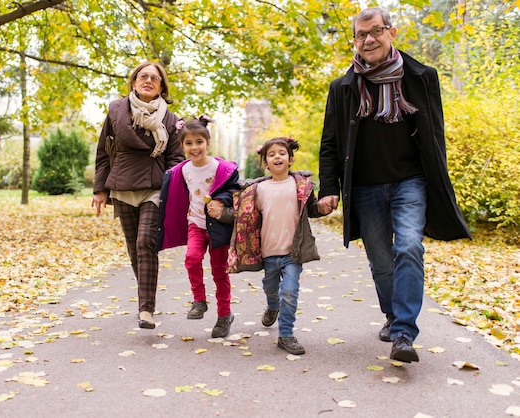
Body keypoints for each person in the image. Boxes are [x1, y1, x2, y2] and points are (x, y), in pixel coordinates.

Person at [317, 7, 472, 363]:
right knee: (381, 260)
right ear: (354, 40)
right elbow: (330, 142)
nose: (368, 39)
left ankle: (404, 332)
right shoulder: (342, 88)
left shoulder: (421, 77)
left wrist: (439, 180)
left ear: (391, 32)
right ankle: (391, 315)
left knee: (408, 247)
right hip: (365, 187)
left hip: (410, 182)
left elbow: (435, 134)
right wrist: (329, 188)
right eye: (361, 34)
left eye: (375, 31)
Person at [92, 62, 185, 330]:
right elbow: (102, 152)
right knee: (134, 249)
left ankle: (146, 309)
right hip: (122, 186)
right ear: (133, 82)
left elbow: (176, 159)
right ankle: (146, 297)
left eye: (155, 79)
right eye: (143, 76)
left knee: (146, 243)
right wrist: (100, 189)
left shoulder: (170, 119)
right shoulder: (116, 111)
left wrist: (172, 194)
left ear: (161, 87)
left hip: (154, 188)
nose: (148, 81)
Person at [228, 137, 321, 355]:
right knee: (271, 289)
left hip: (293, 253)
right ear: (265, 163)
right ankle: (272, 306)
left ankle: (286, 335)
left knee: (289, 292)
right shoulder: (258, 189)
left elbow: (313, 209)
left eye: (281, 153)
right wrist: (219, 212)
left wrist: (324, 207)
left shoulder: (301, 186)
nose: (277, 156)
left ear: (290, 159)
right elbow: (242, 216)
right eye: (271, 154)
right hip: (268, 253)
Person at [155, 115, 239, 338]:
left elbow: (233, 190)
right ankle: (199, 300)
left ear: (207, 143)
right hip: (196, 225)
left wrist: (222, 201)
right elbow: (178, 195)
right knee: (192, 258)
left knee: (219, 272)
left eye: (199, 142)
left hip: (217, 226)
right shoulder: (182, 171)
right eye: (189, 143)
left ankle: (224, 315)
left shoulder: (221, 168)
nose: (194, 147)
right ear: (182, 145)